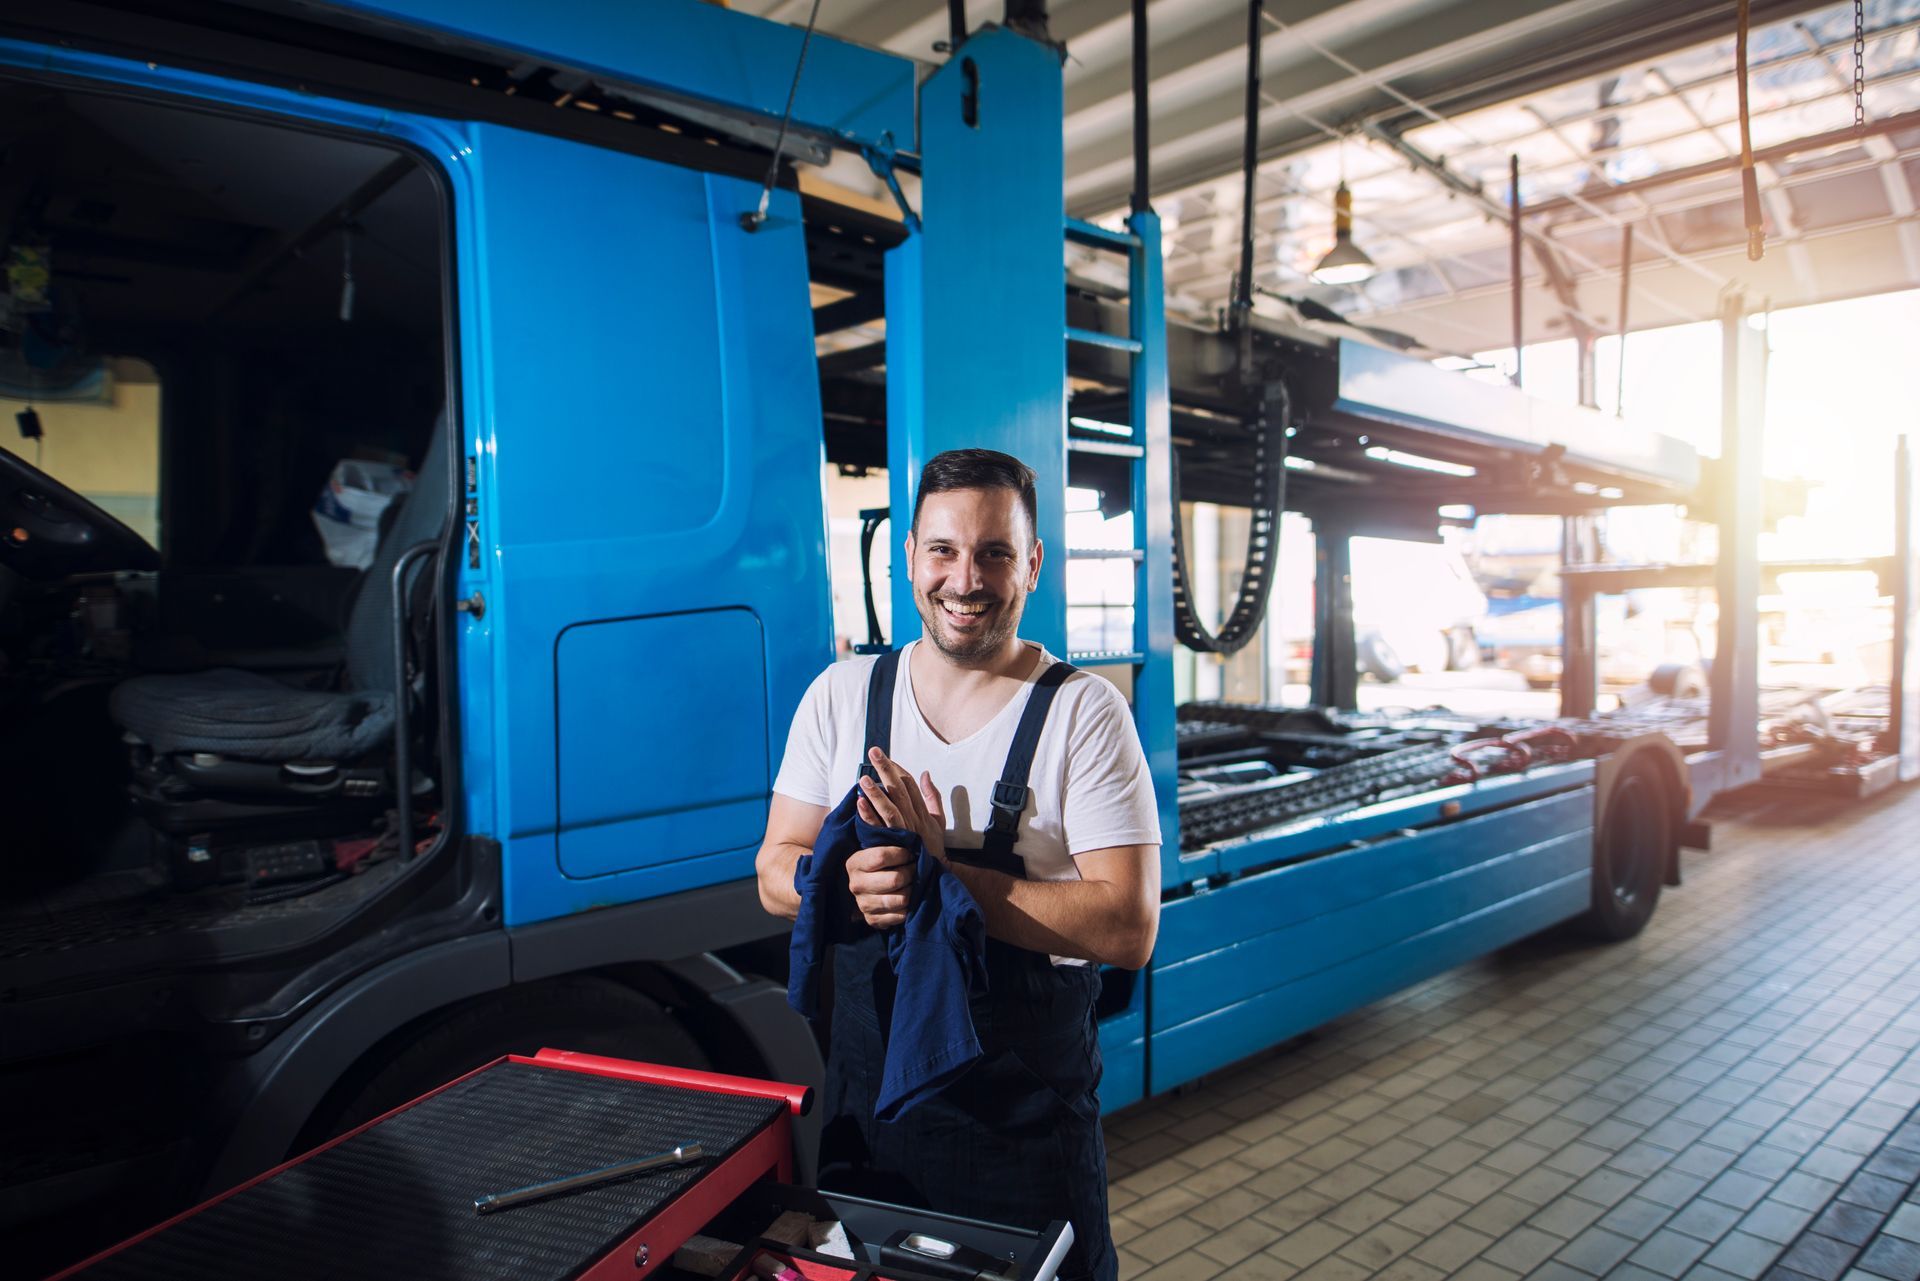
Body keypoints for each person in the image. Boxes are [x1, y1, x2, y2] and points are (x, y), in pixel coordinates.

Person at [756, 448, 1161, 1281]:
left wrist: (943, 879)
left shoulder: (1084, 714)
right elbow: (771, 870)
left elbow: (1127, 924)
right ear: (909, 556)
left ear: (1034, 563)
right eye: (943, 550)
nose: (965, 579)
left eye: (995, 552)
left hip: (1024, 1126)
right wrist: (835, 883)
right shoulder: (842, 696)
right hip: (869, 1119)